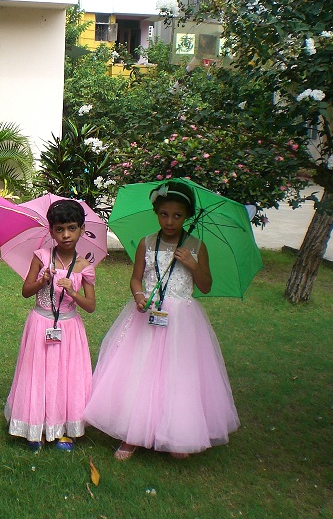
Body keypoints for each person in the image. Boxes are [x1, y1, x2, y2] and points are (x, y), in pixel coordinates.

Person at [83, 181, 239, 460]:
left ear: (187, 216)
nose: (169, 221)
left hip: (182, 320)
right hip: (149, 314)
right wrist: (139, 296)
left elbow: (205, 286)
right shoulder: (147, 243)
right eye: (164, 214)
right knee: (140, 370)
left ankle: (178, 433)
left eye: (177, 216)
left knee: (178, 373)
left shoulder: (197, 247)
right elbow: (135, 278)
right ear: (156, 213)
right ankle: (131, 433)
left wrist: (192, 264)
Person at [4, 199, 96, 452]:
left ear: (81, 229)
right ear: (51, 231)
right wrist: (42, 280)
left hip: (69, 327)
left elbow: (91, 306)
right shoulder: (42, 257)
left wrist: (73, 293)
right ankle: (35, 425)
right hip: (40, 322)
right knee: (37, 372)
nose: (66, 235)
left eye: (72, 228)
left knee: (66, 375)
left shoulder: (85, 266)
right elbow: (25, 291)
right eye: (59, 229)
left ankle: (64, 427)